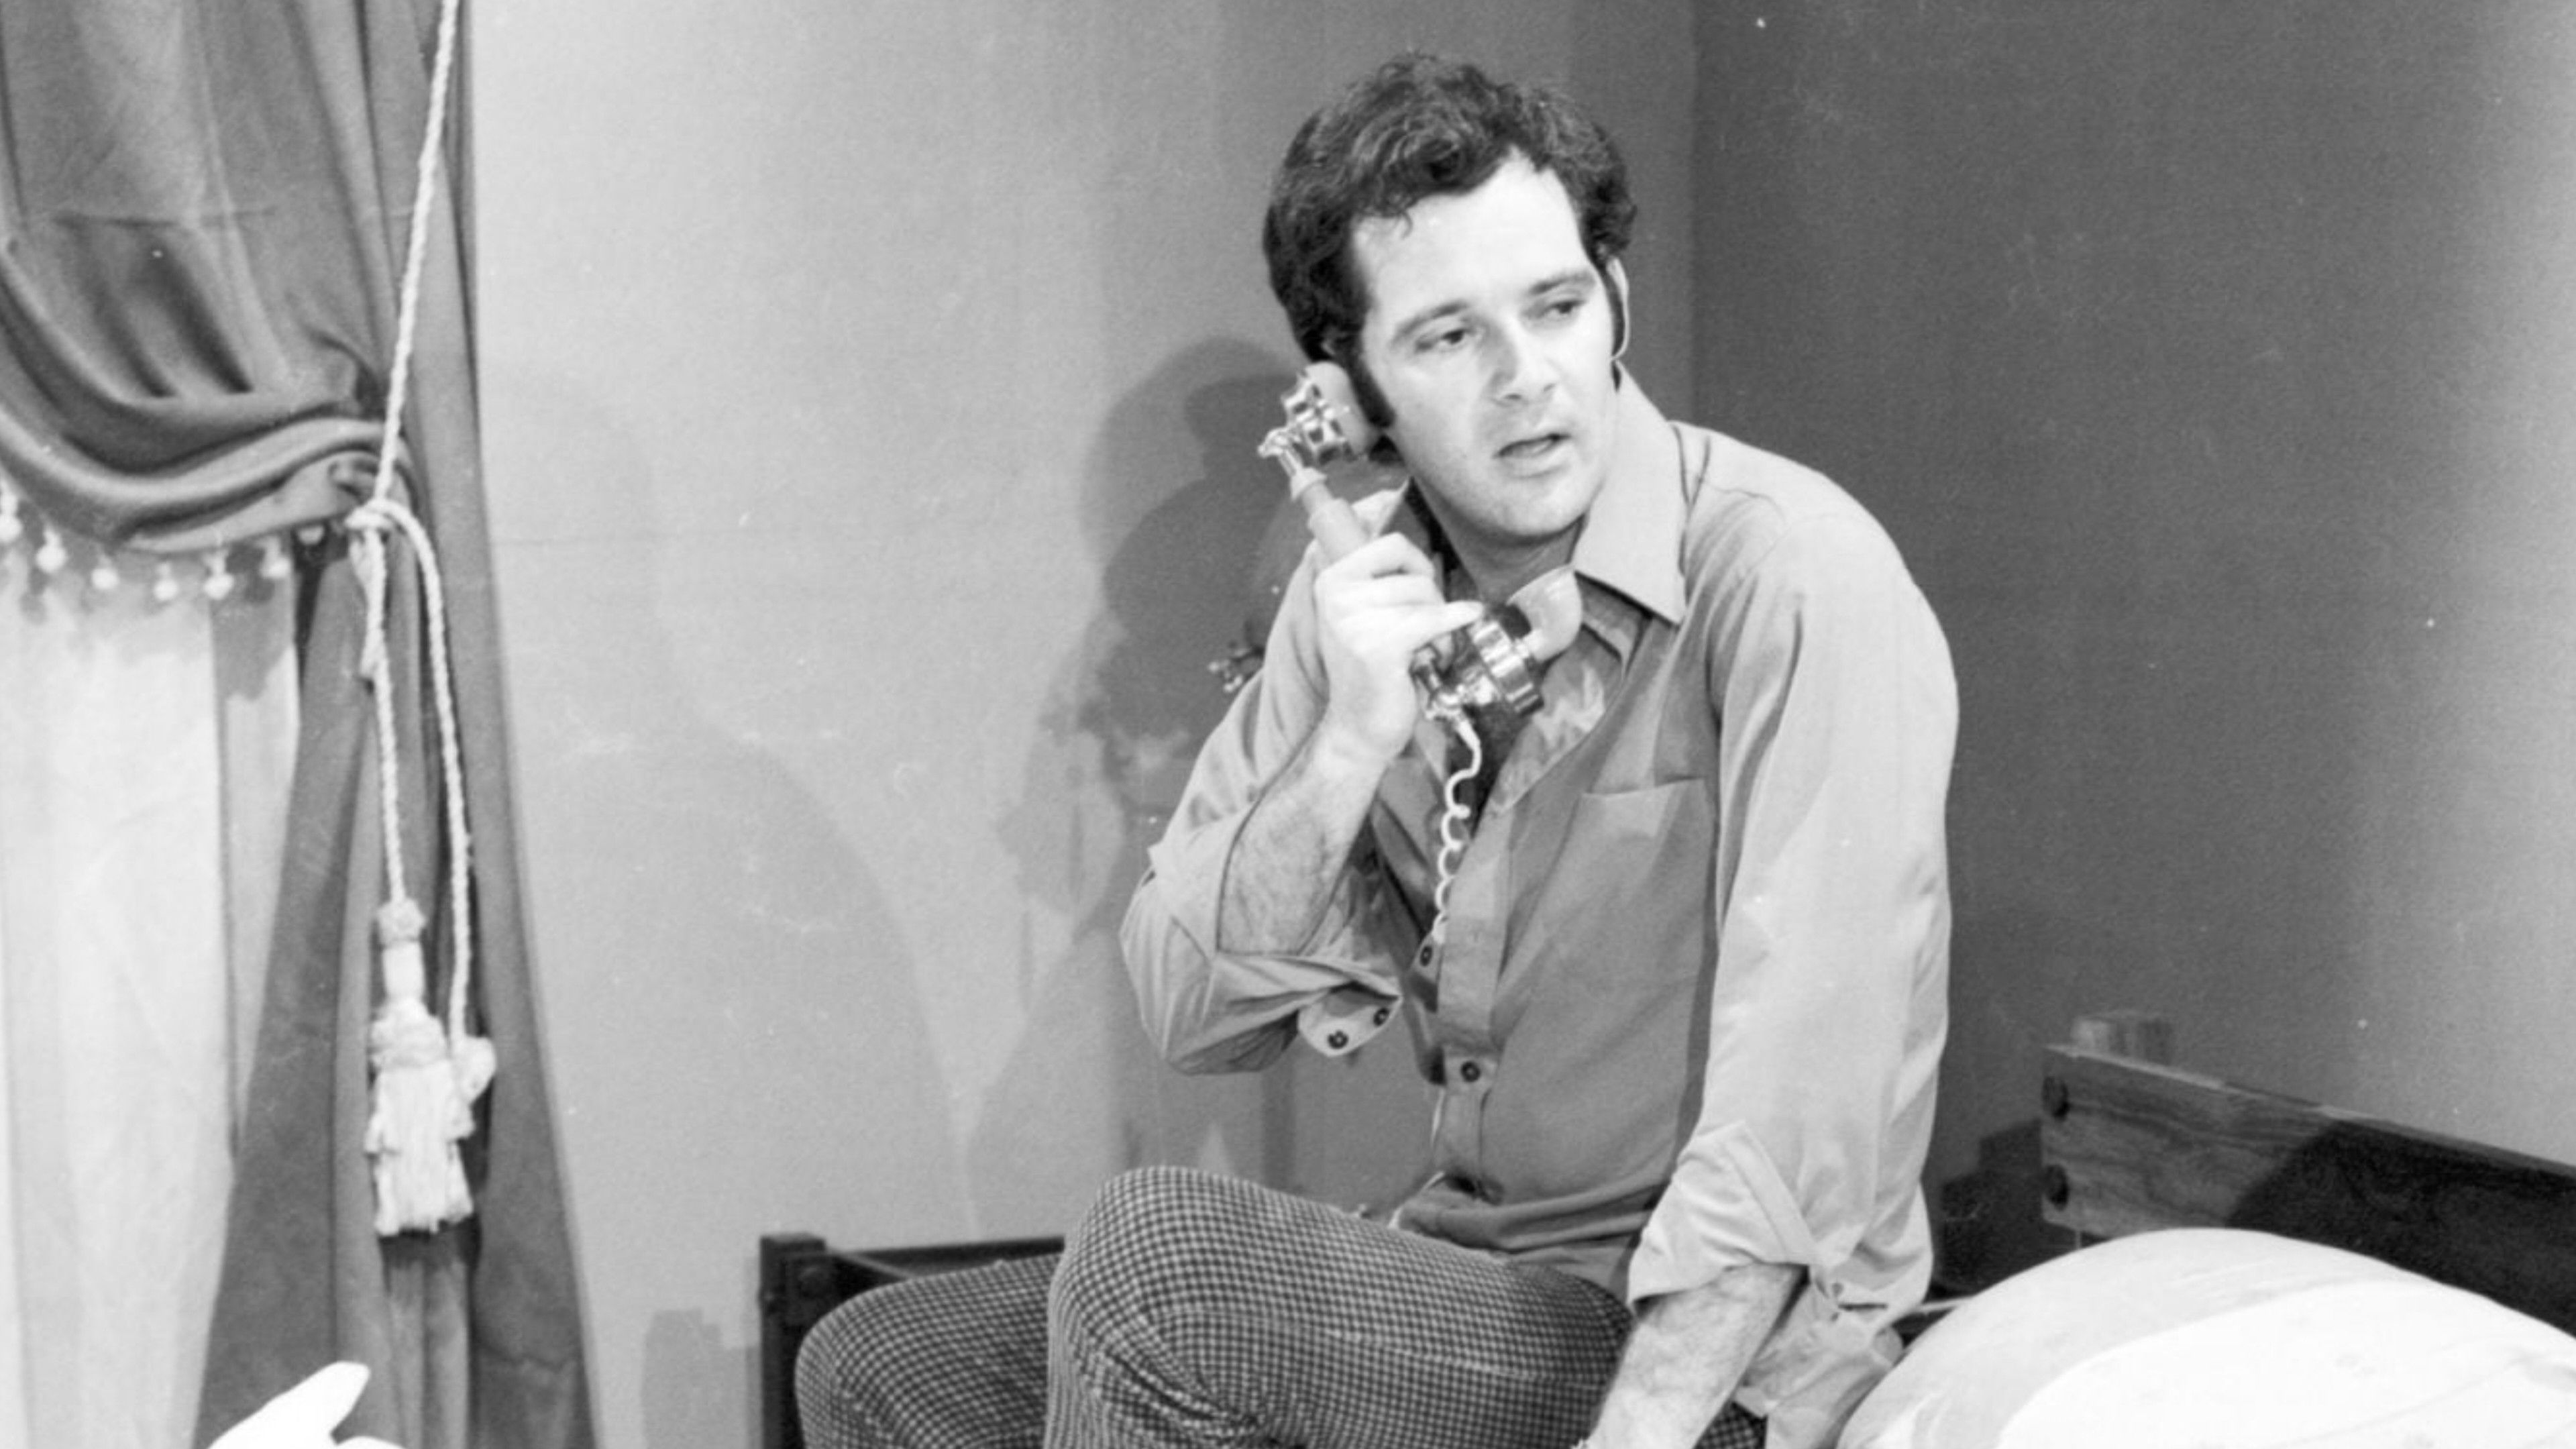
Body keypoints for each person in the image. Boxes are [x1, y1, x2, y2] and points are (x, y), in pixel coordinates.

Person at [797, 52, 1953, 1449]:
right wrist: (1351, 738)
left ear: (1618, 299)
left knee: (1162, 1272)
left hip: (1706, 1362)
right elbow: (1195, 1010)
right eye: (1450, 338)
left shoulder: (1793, 574)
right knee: (883, 1359)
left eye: (1558, 306)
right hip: (1479, 1287)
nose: (1529, 379)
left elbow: (1805, 1114)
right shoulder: (1359, 594)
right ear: (1351, 392)